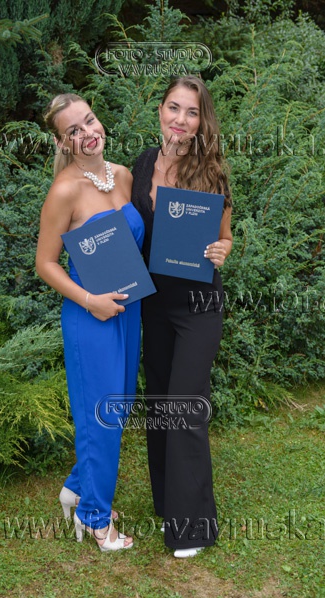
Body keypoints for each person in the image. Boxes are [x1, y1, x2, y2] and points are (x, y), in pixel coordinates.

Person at [36, 92, 144, 551]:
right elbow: (45, 263)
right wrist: (89, 300)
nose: (88, 133)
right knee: (100, 414)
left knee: (119, 408)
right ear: (63, 142)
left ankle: (78, 488)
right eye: (74, 130)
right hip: (90, 314)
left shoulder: (124, 175)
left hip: (130, 308)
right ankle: (96, 518)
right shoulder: (64, 190)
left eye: (90, 120)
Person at [131, 75, 233, 558]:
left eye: (192, 112)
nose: (181, 119)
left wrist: (222, 249)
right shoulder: (142, 164)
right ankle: (168, 501)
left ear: (201, 121)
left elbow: (225, 237)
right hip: (153, 303)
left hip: (198, 306)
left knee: (186, 406)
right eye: (174, 107)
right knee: (160, 404)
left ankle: (192, 528)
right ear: (160, 109)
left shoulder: (211, 171)